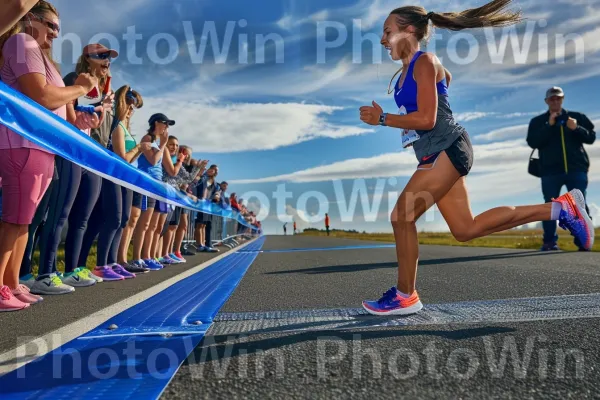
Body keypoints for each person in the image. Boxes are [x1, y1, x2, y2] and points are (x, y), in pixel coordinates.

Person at [357, 0, 595, 316]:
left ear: (409, 30)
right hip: (438, 151)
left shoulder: (425, 61)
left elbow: (427, 119)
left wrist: (383, 119)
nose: (383, 40)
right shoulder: (410, 71)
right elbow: (443, 86)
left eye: (387, 31)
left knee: (402, 216)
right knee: (465, 229)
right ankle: (559, 209)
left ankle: (405, 295)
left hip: (447, 148)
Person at [0, 1, 97, 310]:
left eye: (58, 28)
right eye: (51, 25)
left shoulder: (42, 56)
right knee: (13, 220)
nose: (56, 33)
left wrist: (85, 120)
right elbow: (40, 95)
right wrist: (80, 88)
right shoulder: (21, 42)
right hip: (20, 144)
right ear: (30, 18)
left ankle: (12, 284)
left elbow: (63, 116)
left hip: (41, 149)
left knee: (24, 221)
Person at [527, 86, 596, 251]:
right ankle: (550, 242)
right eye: (552, 99)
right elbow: (532, 142)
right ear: (547, 101)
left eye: (558, 98)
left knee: (579, 206)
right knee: (550, 206)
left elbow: (591, 137)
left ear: (563, 99)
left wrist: (576, 128)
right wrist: (549, 125)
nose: (555, 101)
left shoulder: (577, 117)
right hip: (550, 172)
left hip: (576, 170)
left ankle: (583, 242)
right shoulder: (538, 122)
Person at [129, 113, 173, 271]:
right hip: (146, 183)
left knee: (153, 225)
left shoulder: (160, 144)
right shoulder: (147, 139)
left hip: (157, 185)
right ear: (155, 123)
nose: (166, 127)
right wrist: (162, 145)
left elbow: (170, 170)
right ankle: (137, 258)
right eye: (165, 123)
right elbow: (152, 160)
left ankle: (147, 256)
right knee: (144, 223)